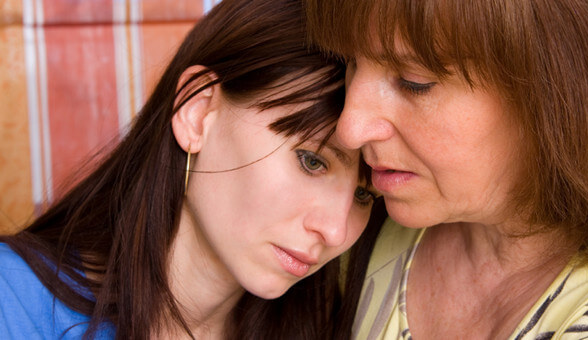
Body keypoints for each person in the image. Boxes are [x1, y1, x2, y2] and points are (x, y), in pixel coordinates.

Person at [0, 0, 383, 338]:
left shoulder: (335, 326)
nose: (335, 230)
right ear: (198, 114)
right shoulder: (13, 305)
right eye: (311, 161)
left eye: (365, 194)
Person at [304, 0, 588, 338]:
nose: (349, 129)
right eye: (348, 62)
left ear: (555, 93)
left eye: (414, 81)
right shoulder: (345, 223)